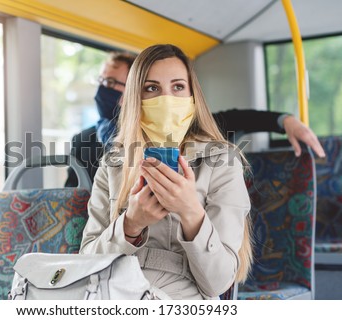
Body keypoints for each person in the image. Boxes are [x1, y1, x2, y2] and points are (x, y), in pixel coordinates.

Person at [79, 44, 253, 299]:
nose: (167, 99)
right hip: (113, 293)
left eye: (178, 87)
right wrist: (131, 224)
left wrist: (190, 211)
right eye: (152, 88)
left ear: (193, 96)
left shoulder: (222, 162)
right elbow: (86, 264)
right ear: (135, 98)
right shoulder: (112, 165)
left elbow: (218, 283)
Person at [65, 52, 325, 188]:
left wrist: (285, 121)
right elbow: (73, 196)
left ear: (134, 89)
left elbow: (238, 118)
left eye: (112, 83)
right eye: (101, 81)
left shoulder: (187, 126)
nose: (103, 90)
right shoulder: (83, 140)